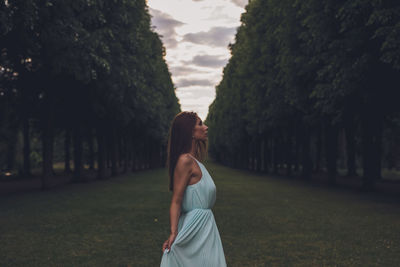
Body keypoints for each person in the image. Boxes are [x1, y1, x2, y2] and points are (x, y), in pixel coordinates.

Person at [160, 111, 227, 267]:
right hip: (195, 229)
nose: (206, 127)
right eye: (200, 124)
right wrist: (174, 232)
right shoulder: (185, 161)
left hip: (206, 228)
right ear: (190, 132)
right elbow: (176, 200)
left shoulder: (195, 162)